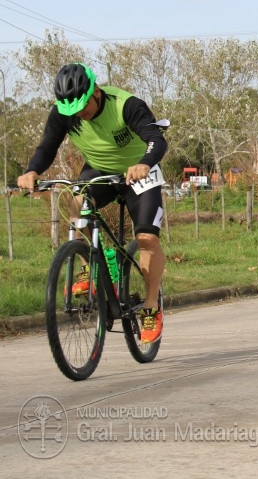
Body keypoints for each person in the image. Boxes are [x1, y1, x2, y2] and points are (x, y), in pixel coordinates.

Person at [18, 63, 168, 344]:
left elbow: (156, 141)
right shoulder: (65, 112)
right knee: (78, 207)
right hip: (100, 170)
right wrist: (32, 171)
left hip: (140, 172)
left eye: (82, 106)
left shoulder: (126, 105)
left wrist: (144, 164)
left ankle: (151, 305)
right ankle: (99, 262)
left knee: (147, 238)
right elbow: (47, 147)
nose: (78, 114)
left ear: (96, 92)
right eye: (71, 110)